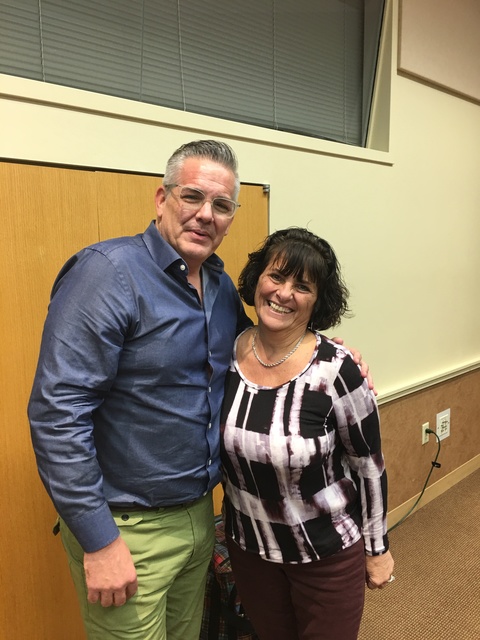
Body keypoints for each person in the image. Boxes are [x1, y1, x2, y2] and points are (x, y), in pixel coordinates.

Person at [28, 140, 373, 640]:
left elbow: (260, 349)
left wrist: (327, 353)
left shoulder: (217, 284)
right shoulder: (107, 274)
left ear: (231, 218)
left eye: (222, 205)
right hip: (126, 527)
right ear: (161, 199)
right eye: (192, 196)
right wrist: (99, 540)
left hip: (199, 518)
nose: (206, 214)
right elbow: (58, 415)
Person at [220, 227, 394, 640]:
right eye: (276, 276)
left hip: (325, 555)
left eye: (302, 286)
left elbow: (368, 465)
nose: (284, 293)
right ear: (258, 279)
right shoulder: (226, 353)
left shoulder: (336, 369)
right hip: (251, 550)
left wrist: (377, 548)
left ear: (318, 301)